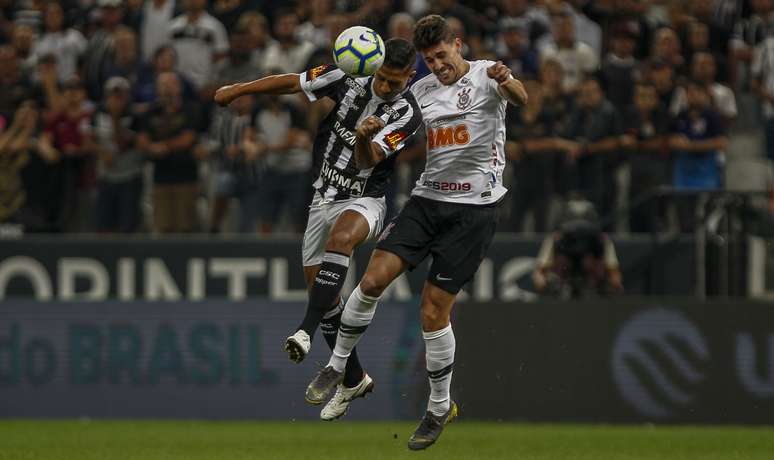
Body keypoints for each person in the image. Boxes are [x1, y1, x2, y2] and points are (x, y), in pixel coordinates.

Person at [304, 15, 526, 450]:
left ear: (457, 45)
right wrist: (366, 137)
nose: (437, 65)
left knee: (431, 311)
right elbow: (372, 156)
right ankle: (337, 365)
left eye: (441, 55)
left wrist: (509, 79)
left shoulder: (487, 74)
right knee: (369, 281)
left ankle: (439, 406)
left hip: (474, 210)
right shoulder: (418, 93)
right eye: (429, 59)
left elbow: (522, 99)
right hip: (426, 202)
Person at [214, 38, 423, 420]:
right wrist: (239, 90)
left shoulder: (407, 114)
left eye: (395, 82)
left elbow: (369, 159)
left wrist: (363, 136)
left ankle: (304, 331)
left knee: (341, 241)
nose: (385, 87)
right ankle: (354, 378)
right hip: (322, 195)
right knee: (324, 292)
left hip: (365, 199)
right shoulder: (348, 73)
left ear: (409, 77)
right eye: (382, 78)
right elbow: (292, 82)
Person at [532, 197, 623, 299]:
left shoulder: (602, 240)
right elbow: (539, 275)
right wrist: (547, 286)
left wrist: (608, 285)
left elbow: (614, 276)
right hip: (562, 289)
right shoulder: (555, 239)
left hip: (593, 290)